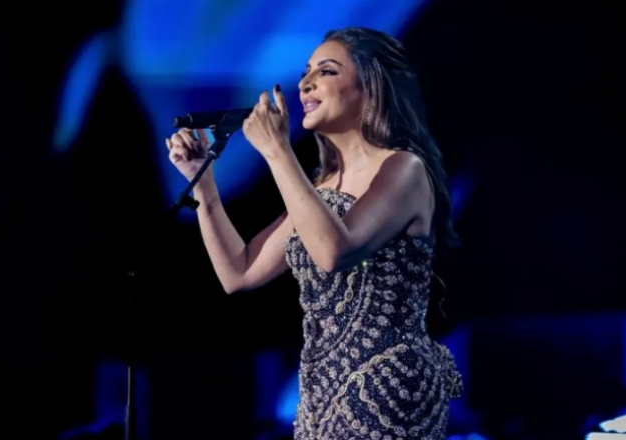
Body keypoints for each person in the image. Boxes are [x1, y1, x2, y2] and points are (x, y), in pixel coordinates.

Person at [167, 27, 463, 440]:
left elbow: (334, 251)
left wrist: (277, 150)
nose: (306, 83)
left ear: (370, 87)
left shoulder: (404, 170)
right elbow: (239, 272)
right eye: (305, 72)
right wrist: (203, 185)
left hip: (387, 389)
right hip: (321, 395)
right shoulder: (320, 191)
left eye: (326, 71)